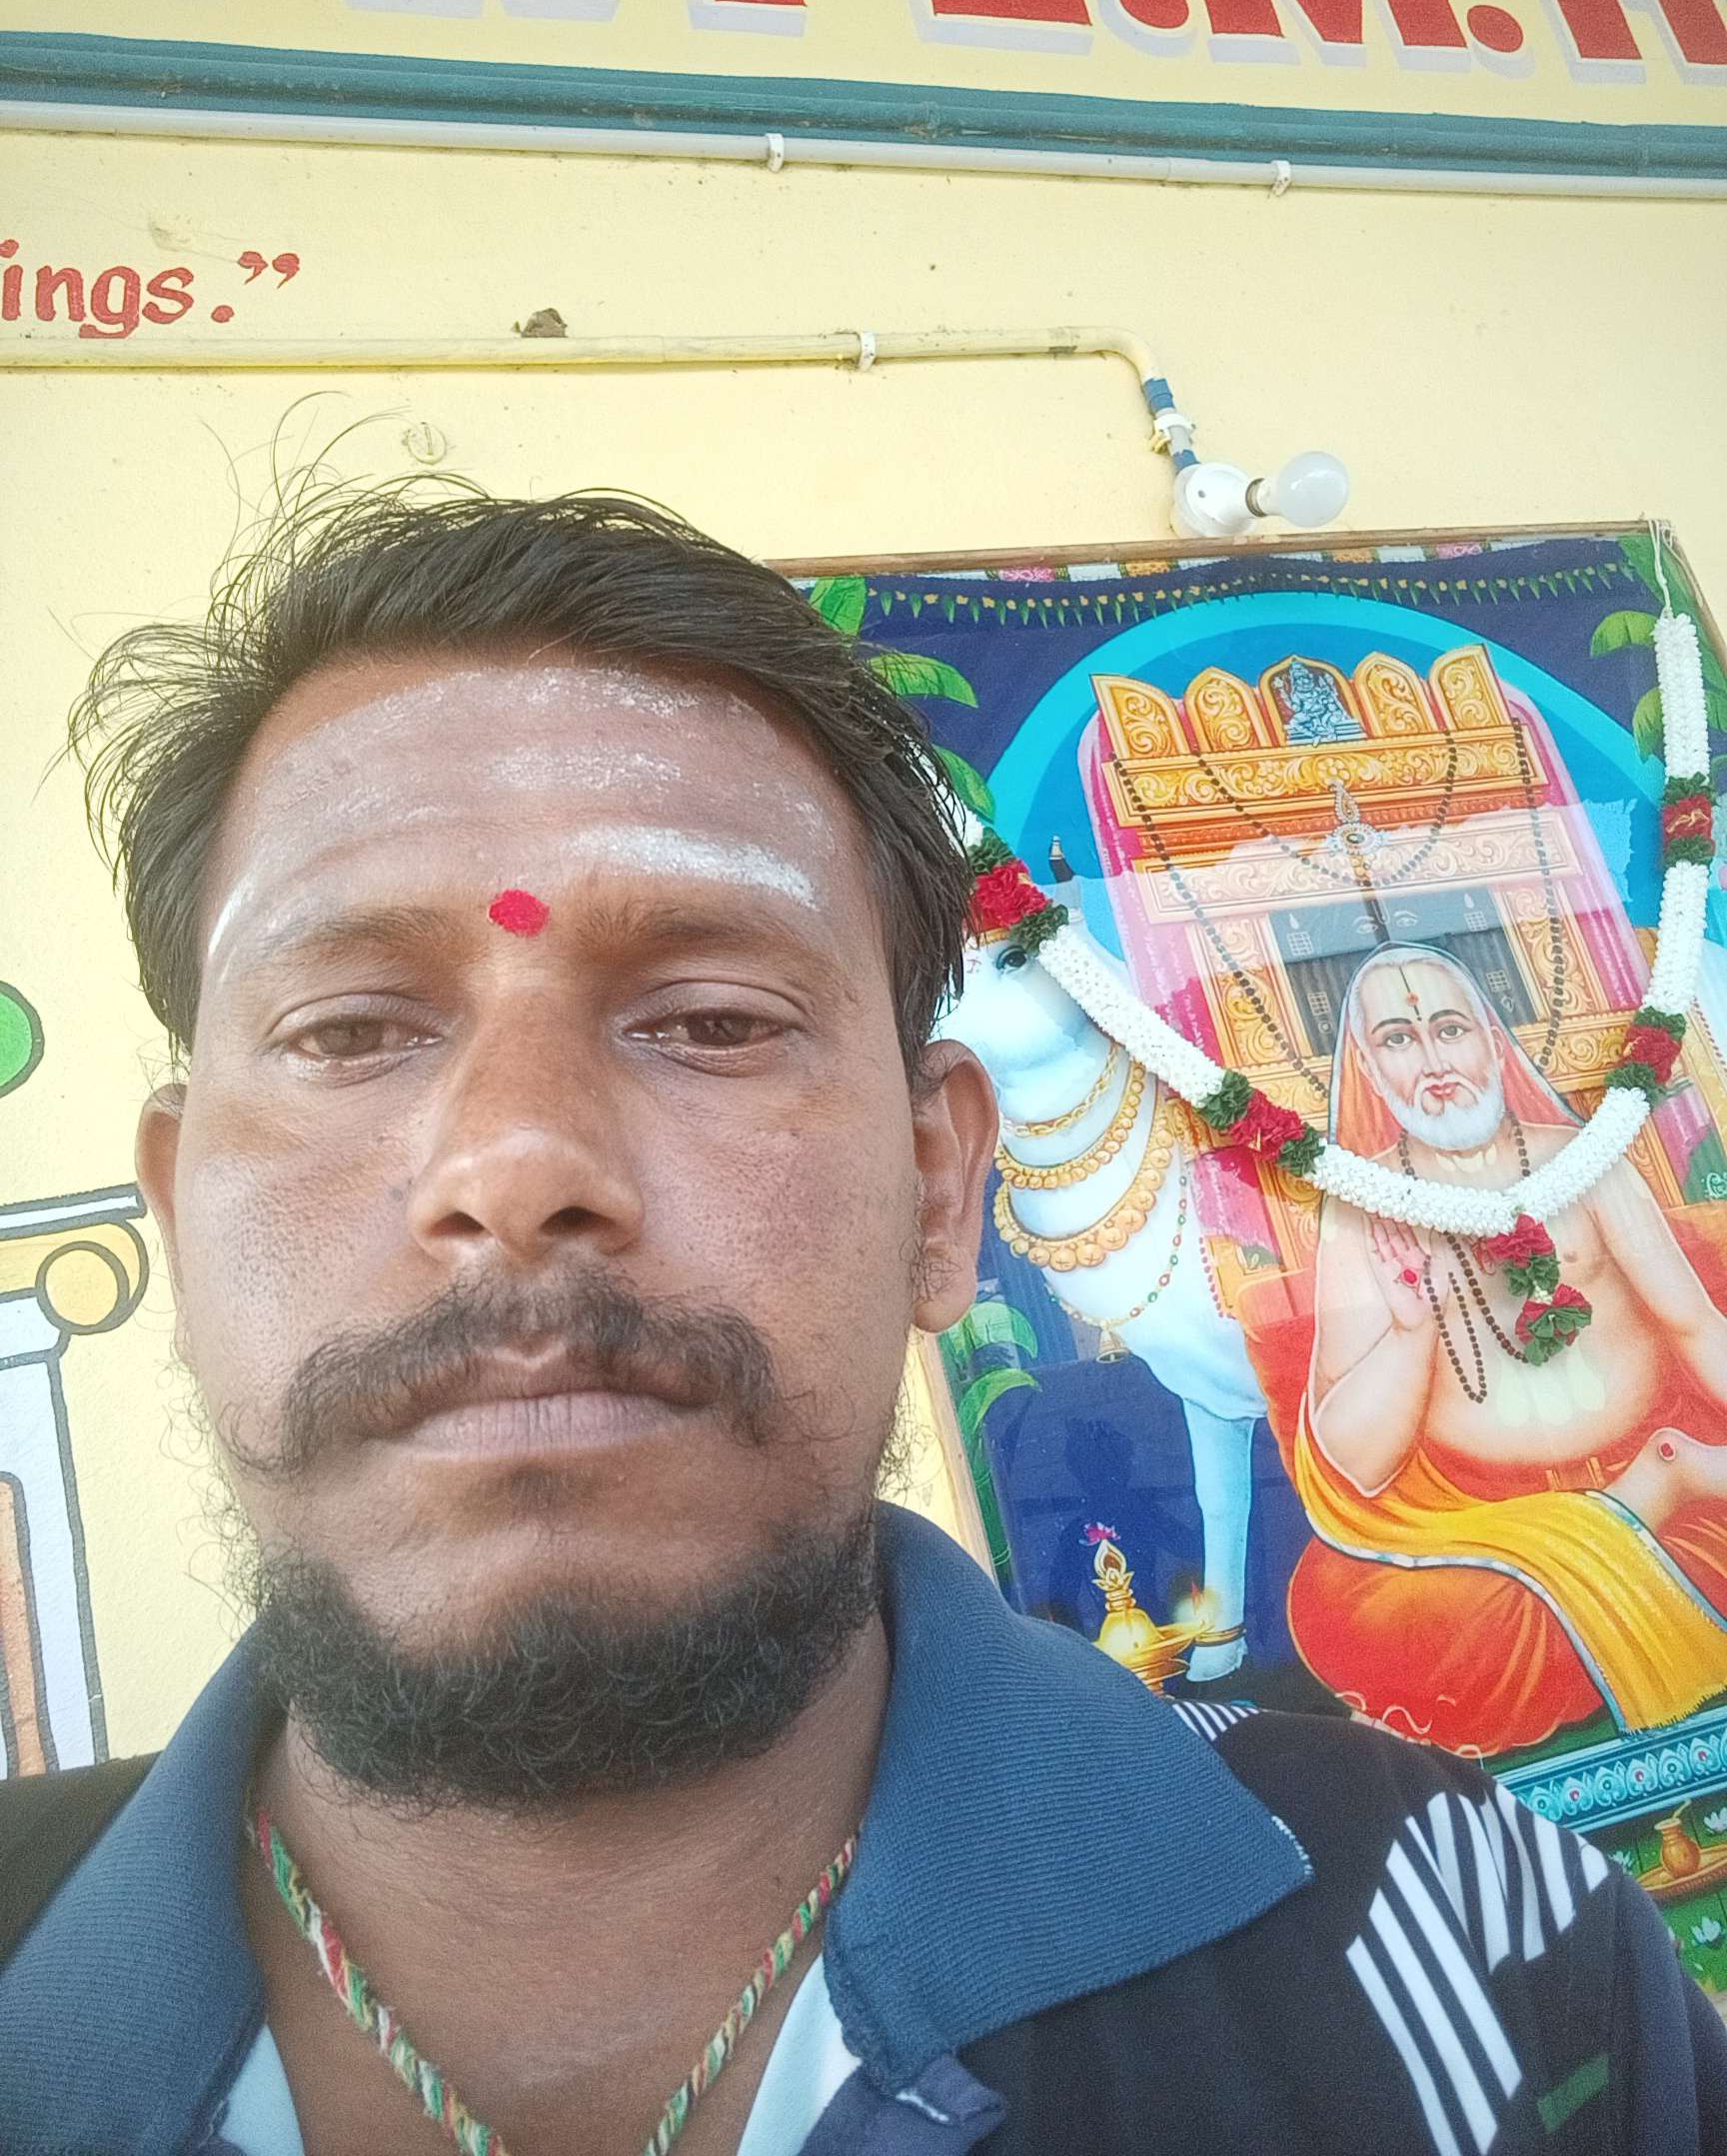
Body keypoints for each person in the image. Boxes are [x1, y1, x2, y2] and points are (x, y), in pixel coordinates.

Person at [0, 493, 1719, 2155]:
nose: (515, 1165)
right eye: (349, 1031)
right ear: (178, 1208)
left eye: (712, 1018)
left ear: (938, 1187)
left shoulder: (1500, 1949)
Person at [1295, 942, 1727, 1752]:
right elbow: (1356, 1463)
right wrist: (1412, 1332)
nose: (1433, 1062)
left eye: (1450, 1029)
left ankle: (1655, 1482)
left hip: (1625, 1447)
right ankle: (1659, 1484)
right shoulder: (1362, 1207)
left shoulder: (1582, 1160)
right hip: (1480, 1527)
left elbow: (1693, 1323)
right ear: (1370, 1070)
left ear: (1494, 1043)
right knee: (1386, 1628)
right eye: (1398, 1039)